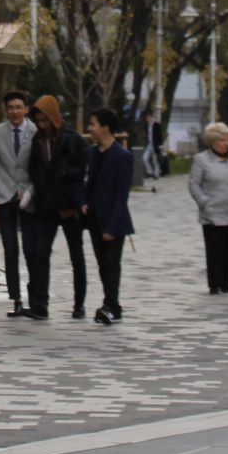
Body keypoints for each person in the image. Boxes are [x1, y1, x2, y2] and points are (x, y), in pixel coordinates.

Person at [20, 93, 89, 320]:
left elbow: (82, 170)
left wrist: (68, 182)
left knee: (76, 255)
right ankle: (40, 303)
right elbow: (34, 168)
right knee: (40, 252)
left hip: (69, 207)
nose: (42, 125)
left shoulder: (73, 139)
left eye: (45, 120)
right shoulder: (38, 140)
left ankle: (79, 303)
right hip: (47, 206)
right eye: (39, 121)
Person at [0, 90, 36, 316]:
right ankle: (15, 298)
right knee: (10, 249)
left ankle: (36, 296)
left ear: (26, 109)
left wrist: (31, 190)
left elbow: (40, 168)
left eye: (18, 107)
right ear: (6, 110)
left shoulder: (35, 131)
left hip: (28, 197)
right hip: (4, 197)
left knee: (32, 249)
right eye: (11, 107)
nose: (15, 111)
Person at [81, 108, 134, 325]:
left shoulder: (123, 157)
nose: (90, 128)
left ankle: (112, 305)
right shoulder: (91, 153)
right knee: (103, 264)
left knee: (112, 263)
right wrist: (82, 202)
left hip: (114, 221)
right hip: (94, 218)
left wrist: (112, 227)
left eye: (93, 124)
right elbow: (85, 182)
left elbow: (122, 196)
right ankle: (110, 303)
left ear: (105, 127)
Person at [188, 121, 228, 293]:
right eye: (222, 140)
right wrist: (204, 202)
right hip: (212, 213)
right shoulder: (202, 160)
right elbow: (194, 185)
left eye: (227, 140)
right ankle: (214, 283)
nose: (226, 143)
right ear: (213, 142)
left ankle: (226, 282)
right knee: (214, 250)